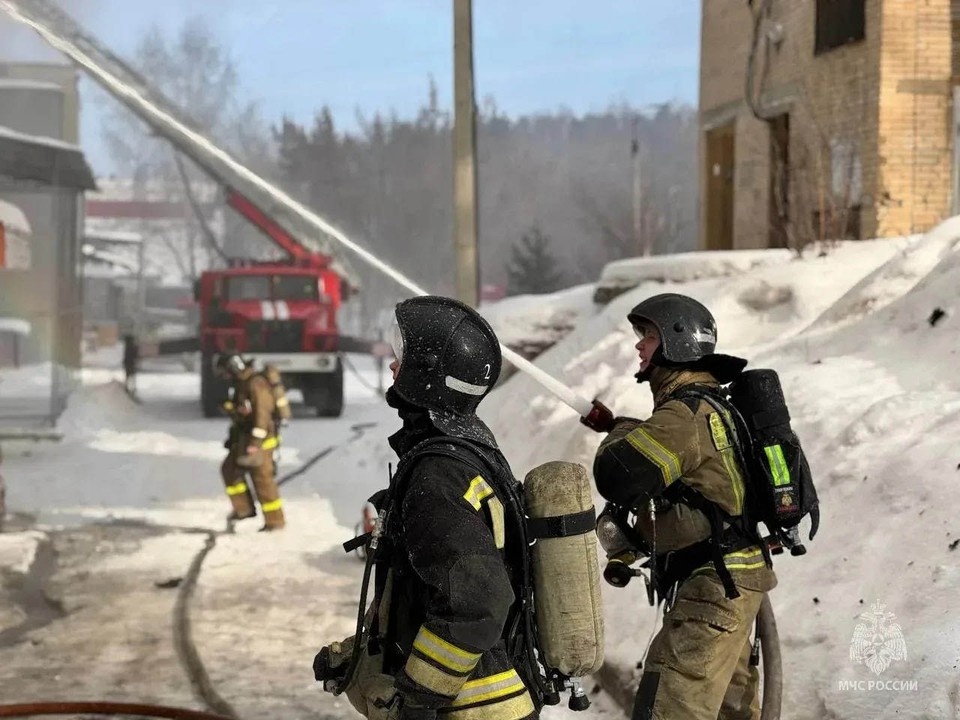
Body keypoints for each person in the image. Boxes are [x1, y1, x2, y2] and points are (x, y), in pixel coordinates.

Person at [313, 296, 538, 720]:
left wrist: (418, 695)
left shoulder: (437, 474)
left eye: (405, 358)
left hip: (470, 708)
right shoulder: (467, 451)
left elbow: (479, 600)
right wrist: (358, 655)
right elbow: (424, 595)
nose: (394, 367)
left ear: (428, 375)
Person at [592, 293, 777, 720]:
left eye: (649, 336)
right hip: (725, 586)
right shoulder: (706, 408)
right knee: (732, 713)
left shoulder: (685, 416)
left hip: (713, 590)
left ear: (677, 340)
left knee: (667, 709)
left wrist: (617, 433)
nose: (639, 346)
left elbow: (618, 474)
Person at [216, 353, 285, 531]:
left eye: (227, 373)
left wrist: (255, 442)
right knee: (229, 470)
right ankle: (243, 509)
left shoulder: (256, 384)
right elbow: (245, 410)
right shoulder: (242, 383)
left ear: (235, 367)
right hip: (244, 438)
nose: (227, 378)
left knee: (262, 479)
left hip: (260, 441)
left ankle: (275, 521)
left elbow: (262, 414)